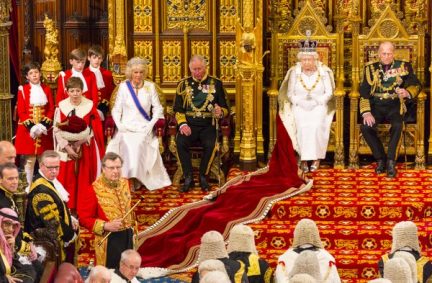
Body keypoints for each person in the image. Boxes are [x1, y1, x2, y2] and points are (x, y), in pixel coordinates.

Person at [106, 57, 170, 191]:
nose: (138, 75)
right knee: (125, 143)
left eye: (141, 72)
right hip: (126, 127)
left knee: (139, 144)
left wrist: (150, 125)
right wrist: (119, 124)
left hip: (143, 127)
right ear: (130, 72)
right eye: (135, 72)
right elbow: (116, 109)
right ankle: (127, 178)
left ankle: (136, 177)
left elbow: (158, 109)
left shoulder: (150, 87)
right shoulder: (123, 87)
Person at [360, 41, 421, 178]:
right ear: (379, 54)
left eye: (389, 53)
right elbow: (364, 92)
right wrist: (366, 112)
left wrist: (407, 92)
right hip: (376, 104)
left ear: (394, 54)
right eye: (384, 53)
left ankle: (391, 162)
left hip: (395, 104)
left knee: (398, 125)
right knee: (366, 127)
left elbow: (416, 85)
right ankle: (381, 159)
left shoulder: (404, 66)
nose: (386, 56)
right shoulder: (370, 69)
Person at [278, 32, 335, 173]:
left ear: (315, 59)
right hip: (300, 105)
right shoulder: (294, 72)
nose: (306, 63)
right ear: (300, 60)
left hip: (319, 106)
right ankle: (303, 158)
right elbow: (290, 93)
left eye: (309, 60)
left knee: (316, 125)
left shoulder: (324, 72)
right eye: (304, 60)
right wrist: (300, 102)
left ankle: (316, 158)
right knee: (302, 125)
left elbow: (329, 92)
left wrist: (318, 101)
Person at [174, 55, 229, 192]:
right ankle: (188, 177)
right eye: (194, 70)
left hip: (207, 124)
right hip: (189, 124)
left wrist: (220, 112)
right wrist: (182, 124)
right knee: (180, 142)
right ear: (190, 69)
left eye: (199, 69)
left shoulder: (216, 83)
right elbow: (178, 109)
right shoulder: (183, 84)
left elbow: (226, 107)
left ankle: (203, 176)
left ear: (205, 68)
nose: (197, 72)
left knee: (211, 144)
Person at [53, 77, 105, 210]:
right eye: (72, 91)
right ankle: (68, 208)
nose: (75, 94)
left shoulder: (89, 105)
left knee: (83, 180)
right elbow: (57, 129)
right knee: (68, 179)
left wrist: (79, 143)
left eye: (78, 90)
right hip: (66, 149)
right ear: (67, 91)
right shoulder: (61, 106)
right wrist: (67, 147)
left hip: (84, 148)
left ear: (82, 91)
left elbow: (94, 129)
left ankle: (83, 208)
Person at [78, 152, 135, 269]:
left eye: (118, 167)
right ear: (103, 169)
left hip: (128, 235)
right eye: (111, 168)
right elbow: (84, 218)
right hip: (109, 239)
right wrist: (105, 226)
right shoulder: (93, 189)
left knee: (127, 269)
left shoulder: (126, 183)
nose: (115, 171)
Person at [25, 150, 79, 263]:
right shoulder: (41, 191)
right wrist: (70, 236)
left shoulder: (48, 181)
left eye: (57, 167)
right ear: (41, 165)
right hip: (47, 242)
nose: (54, 171)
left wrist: (70, 218)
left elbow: (59, 206)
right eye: (50, 168)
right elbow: (53, 222)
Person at [14, 62, 55, 187]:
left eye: (36, 72)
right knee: (29, 161)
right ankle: (27, 190)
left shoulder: (47, 89)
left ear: (40, 73)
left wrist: (42, 125)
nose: (34, 75)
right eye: (31, 73)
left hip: (44, 131)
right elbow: (21, 111)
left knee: (44, 161)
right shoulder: (23, 90)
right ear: (27, 77)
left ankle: (46, 188)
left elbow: (51, 109)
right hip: (28, 132)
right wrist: (32, 127)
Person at [274, 218, 341, 283]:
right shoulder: (327, 258)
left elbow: (280, 280)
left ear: (296, 234)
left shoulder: (284, 258)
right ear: (316, 234)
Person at [0, 163, 35, 259]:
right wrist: (28, 248)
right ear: (0, 180)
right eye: (10, 179)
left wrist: (29, 241)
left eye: (16, 178)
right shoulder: (3, 203)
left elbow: (18, 229)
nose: (15, 182)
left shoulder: (9, 196)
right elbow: (8, 238)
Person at [0, 207, 39, 283]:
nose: (11, 229)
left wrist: (11, 249)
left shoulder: (5, 239)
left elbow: (10, 266)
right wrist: (5, 279)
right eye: (7, 224)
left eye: (14, 226)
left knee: (34, 270)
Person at [85, 45, 115, 133]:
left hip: (104, 110)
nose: (97, 60)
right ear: (89, 58)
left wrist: (104, 106)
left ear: (102, 59)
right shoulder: (84, 74)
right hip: (88, 110)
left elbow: (111, 93)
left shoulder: (108, 74)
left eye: (99, 58)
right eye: (94, 57)